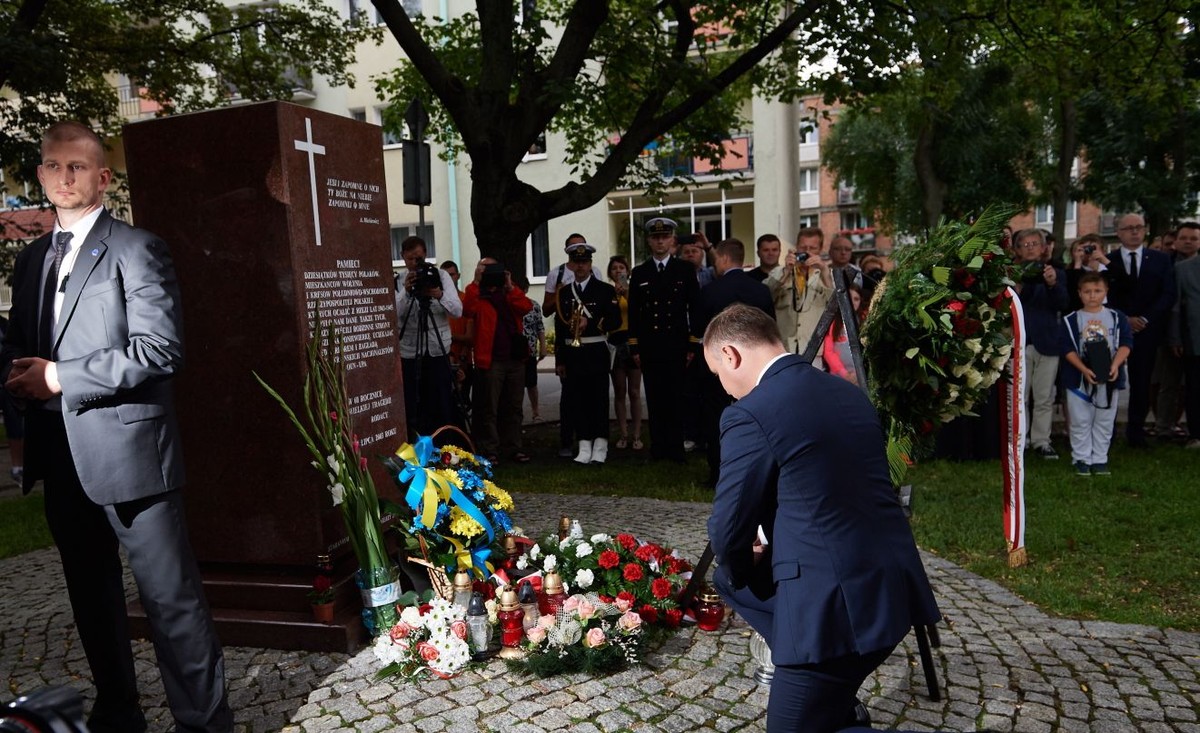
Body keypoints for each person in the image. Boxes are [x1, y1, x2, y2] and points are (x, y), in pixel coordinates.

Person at [0, 121, 232, 732]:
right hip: (60, 453)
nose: (65, 176)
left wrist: (57, 378)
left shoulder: (136, 248)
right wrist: (20, 380)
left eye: (78, 166)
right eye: (53, 165)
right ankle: (119, 711)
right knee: (92, 597)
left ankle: (205, 724)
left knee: (170, 601)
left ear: (102, 177)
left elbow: (159, 349)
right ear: (41, 173)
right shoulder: (29, 263)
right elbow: (23, 346)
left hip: (130, 455)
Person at [703, 304, 940, 733]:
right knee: (730, 579)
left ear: (731, 355)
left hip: (834, 612)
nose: (724, 387)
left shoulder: (750, 412)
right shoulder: (847, 392)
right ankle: (835, 699)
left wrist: (743, 564)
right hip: (894, 590)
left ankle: (827, 688)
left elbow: (727, 526)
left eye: (717, 372)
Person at [696, 239, 774, 486]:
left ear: (724, 259)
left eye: (715, 259)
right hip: (755, 364)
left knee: (714, 418)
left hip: (720, 365)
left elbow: (699, 328)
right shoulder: (760, 290)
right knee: (758, 417)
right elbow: (770, 328)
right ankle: (758, 472)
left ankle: (717, 473)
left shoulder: (710, 291)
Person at [627, 217, 701, 462]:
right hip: (650, 346)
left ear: (672, 240)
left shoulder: (685, 270)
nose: (660, 241)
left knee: (677, 397)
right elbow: (634, 313)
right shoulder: (640, 273)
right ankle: (658, 448)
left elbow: (695, 308)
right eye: (655, 237)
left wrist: (692, 343)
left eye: (665, 237)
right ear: (649, 241)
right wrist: (634, 346)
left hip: (677, 344)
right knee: (656, 397)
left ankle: (676, 449)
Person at [1105, 213, 1176, 447]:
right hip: (1115, 329)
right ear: (1119, 232)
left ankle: (1136, 433)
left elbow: (1167, 294)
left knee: (1142, 382)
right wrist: (1125, 319)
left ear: (1145, 230)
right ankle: (1108, 432)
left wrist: (1144, 319)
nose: (1135, 232)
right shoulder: (1108, 260)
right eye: (1129, 228)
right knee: (1110, 380)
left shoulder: (1160, 260)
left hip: (1147, 330)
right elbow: (1103, 294)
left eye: (1139, 227)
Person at [1060, 273, 1134, 476]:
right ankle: (1081, 458)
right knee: (1080, 419)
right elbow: (1067, 348)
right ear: (1079, 293)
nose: (1092, 296)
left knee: (1104, 419)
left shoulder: (1116, 317)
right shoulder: (1071, 320)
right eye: (1087, 292)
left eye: (1097, 291)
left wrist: (1115, 365)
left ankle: (1100, 458)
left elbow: (1126, 343)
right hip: (1079, 377)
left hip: (1109, 375)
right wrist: (1083, 369)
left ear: (1106, 292)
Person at [463, 258, 534, 464]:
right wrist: (476, 282)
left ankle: (513, 447)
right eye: (485, 269)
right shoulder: (478, 295)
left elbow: (525, 307)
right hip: (491, 359)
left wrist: (510, 286)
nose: (490, 273)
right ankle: (491, 449)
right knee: (489, 407)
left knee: (513, 406)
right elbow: (467, 310)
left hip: (515, 358)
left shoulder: (510, 292)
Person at [554, 247, 620, 464]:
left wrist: (589, 323)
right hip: (573, 354)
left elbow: (615, 321)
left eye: (584, 261)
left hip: (595, 351)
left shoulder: (604, 290)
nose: (580, 266)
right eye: (576, 262)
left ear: (590, 264)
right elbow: (560, 328)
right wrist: (560, 359)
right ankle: (583, 444)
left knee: (598, 399)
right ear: (571, 264)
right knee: (577, 400)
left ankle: (600, 444)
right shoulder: (564, 293)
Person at [395, 236, 463, 436]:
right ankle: (414, 442)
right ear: (403, 258)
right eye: (410, 260)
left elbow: (458, 310)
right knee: (412, 401)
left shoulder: (440, 277)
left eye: (419, 258)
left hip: (436, 350)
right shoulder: (398, 281)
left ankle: (444, 444)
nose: (415, 264)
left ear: (425, 255)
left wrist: (439, 294)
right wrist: (406, 293)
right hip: (409, 352)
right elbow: (394, 314)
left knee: (440, 400)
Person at [1012, 228, 1069, 459]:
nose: (1030, 248)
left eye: (1035, 243)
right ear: (1017, 250)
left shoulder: (1055, 272)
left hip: (1047, 341)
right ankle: (1020, 439)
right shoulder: (1012, 273)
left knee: (1044, 396)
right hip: (1020, 341)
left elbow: (1063, 303)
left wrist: (1053, 284)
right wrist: (1016, 288)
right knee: (1020, 396)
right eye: (1025, 245)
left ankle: (1041, 440)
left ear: (1044, 247)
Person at [544, 234, 594, 458]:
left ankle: (590, 439)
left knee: (590, 396)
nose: (579, 259)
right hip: (568, 340)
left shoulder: (594, 273)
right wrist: (560, 291)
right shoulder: (557, 274)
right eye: (574, 250)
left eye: (582, 250)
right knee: (569, 397)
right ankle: (566, 441)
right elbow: (547, 310)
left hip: (590, 345)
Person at [607, 255, 644, 450]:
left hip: (632, 341)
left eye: (622, 267)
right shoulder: (608, 292)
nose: (618, 271)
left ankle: (637, 434)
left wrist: (627, 293)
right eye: (614, 268)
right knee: (620, 390)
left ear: (627, 271)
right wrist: (614, 296)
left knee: (635, 391)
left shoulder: (634, 290)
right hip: (615, 341)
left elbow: (637, 311)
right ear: (609, 272)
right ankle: (623, 433)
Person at [1169, 222, 1200, 449]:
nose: (1189, 242)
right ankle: (1196, 434)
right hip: (1194, 339)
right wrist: (1176, 338)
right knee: (1195, 388)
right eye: (1185, 237)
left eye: (1195, 238)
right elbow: (1176, 307)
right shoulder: (1182, 269)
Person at [783, 226, 833, 359]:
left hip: (813, 349)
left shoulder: (826, 275)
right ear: (796, 247)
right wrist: (786, 271)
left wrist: (824, 271)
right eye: (803, 248)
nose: (807, 252)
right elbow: (769, 294)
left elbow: (835, 305)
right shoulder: (782, 272)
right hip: (785, 348)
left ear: (820, 250)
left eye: (812, 248)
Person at [441, 260, 475, 422]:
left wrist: (448, 337)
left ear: (458, 276)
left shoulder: (464, 300)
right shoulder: (436, 301)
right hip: (441, 360)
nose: (448, 279)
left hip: (462, 360)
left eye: (452, 275)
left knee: (462, 403)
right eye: (445, 275)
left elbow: (470, 337)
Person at [513, 275, 547, 422]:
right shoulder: (509, 305)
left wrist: (543, 346)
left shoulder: (534, 305)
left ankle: (536, 411)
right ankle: (516, 413)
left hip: (530, 350)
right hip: (513, 352)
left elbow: (540, 326)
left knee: (531, 383)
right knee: (515, 385)